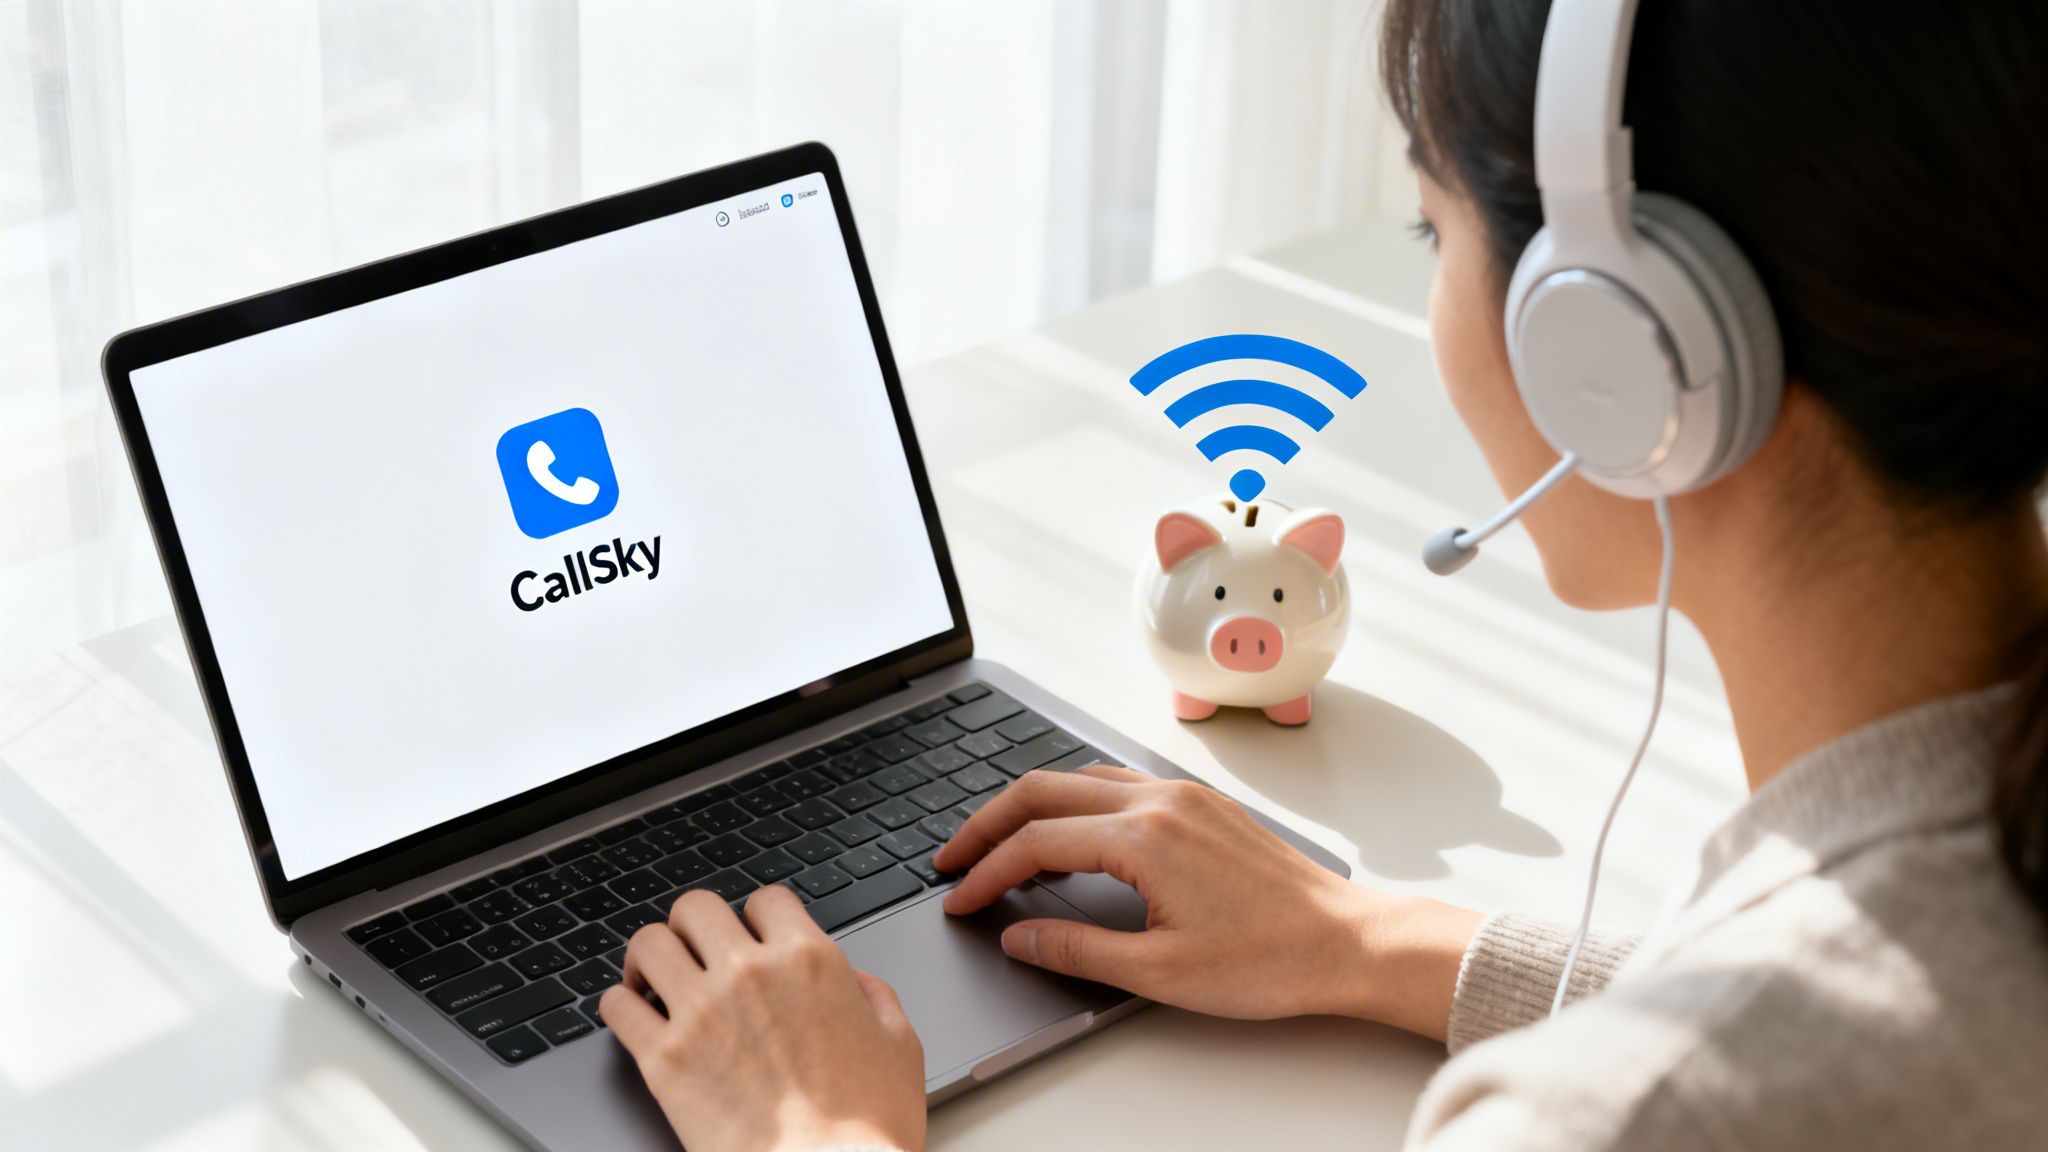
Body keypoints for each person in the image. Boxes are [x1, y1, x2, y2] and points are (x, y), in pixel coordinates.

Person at [596, 2, 2048, 1148]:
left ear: (1613, 345)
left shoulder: (1616, 1117)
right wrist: (1376, 940)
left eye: (1435, 227)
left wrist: (814, 1131)